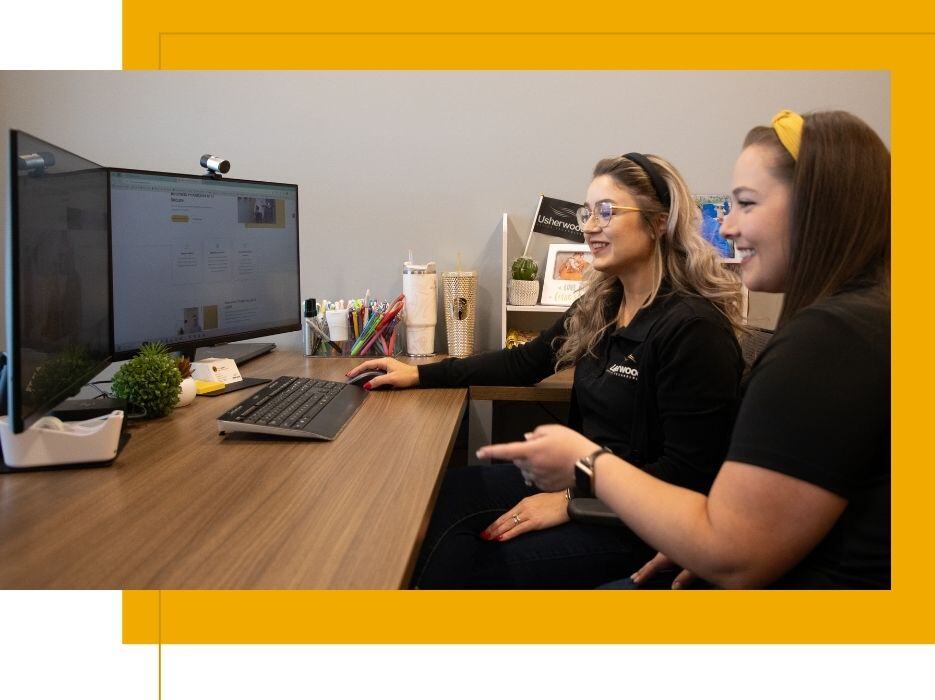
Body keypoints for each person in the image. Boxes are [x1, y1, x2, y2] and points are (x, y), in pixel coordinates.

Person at [479, 110, 891, 590]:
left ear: (818, 209)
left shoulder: (825, 340)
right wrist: (703, 544)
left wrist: (586, 465)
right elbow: (758, 526)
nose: (726, 228)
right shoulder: (857, 322)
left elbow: (729, 548)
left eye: (746, 204)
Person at [348, 152, 745, 588]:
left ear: (658, 222)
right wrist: (420, 374)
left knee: (467, 564)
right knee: (444, 499)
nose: (589, 226)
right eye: (586, 213)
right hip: (585, 484)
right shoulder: (604, 305)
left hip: (639, 524)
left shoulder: (693, 329)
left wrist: (571, 499)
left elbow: (689, 476)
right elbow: (525, 361)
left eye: (606, 212)